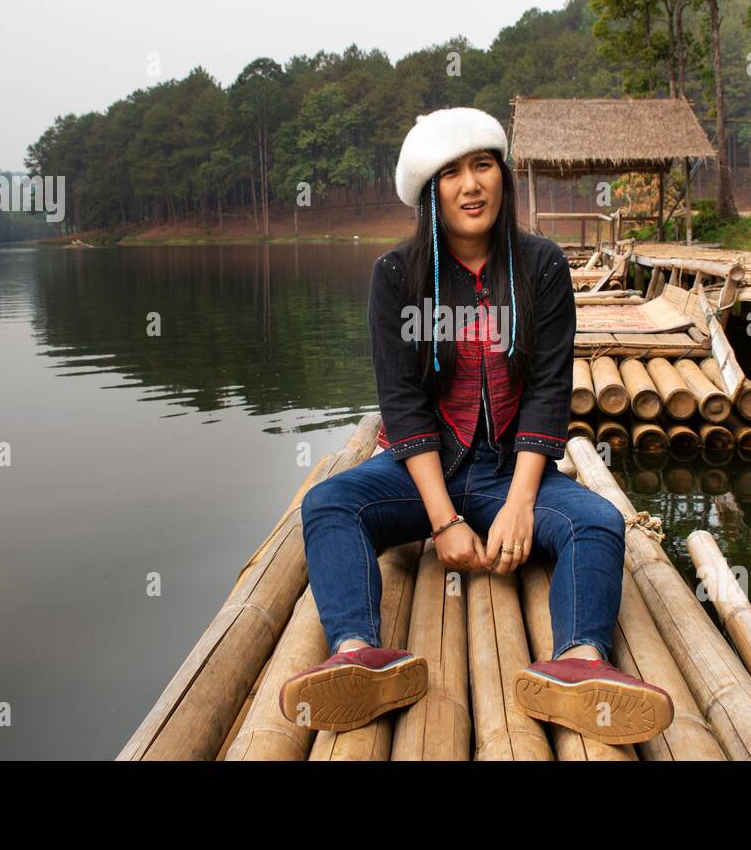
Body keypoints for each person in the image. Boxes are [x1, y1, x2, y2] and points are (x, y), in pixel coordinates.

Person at [280, 107, 673, 746]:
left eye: (483, 165)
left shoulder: (542, 266)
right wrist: (442, 521)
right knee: (329, 502)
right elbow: (402, 405)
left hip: (507, 472)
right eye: (452, 173)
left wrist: (521, 502)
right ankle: (357, 655)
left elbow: (549, 390)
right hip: (424, 472)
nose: (471, 185)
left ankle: (579, 663)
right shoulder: (394, 276)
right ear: (431, 191)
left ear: (502, 176)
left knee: (596, 522)